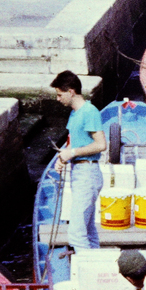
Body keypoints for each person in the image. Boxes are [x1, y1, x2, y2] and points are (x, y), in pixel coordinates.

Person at [51, 70, 105, 251]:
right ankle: (96, 266)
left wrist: (72, 152)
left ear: (71, 91)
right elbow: (73, 143)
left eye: (60, 94)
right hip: (79, 172)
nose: (58, 99)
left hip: (87, 173)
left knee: (76, 233)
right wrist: (63, 157)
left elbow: (101, 145)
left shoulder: (89, 111)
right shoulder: (74, 114)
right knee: (88, 230)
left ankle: (87, 274)